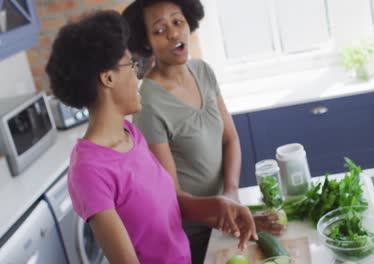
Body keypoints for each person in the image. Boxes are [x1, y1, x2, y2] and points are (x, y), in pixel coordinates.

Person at [45, 10, 257, 264]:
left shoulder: (130, 135)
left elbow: (171, 206)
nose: (138, 76)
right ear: (108, 78)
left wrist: (221, 205)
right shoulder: (89, 172)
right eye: (130, 65)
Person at [122, 1, 285, 262]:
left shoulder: (203, 71)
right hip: (195, 236)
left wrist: (231, 193)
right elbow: (172, 196)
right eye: (160, 30)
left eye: (177, 22)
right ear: (146, 43)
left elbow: (230, 139)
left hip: (231, 217)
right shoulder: (148, 104)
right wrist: (228, 211)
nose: (174, 34)